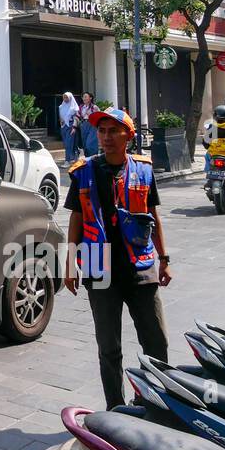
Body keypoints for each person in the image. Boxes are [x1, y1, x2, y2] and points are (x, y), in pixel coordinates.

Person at [64, 107, 171, 409]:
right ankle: (115, 409)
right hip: (99, 266)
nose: (107, 137)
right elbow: (75, 218)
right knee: (108, 347)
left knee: (156, 341)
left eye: (113, 131)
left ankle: (152, 402)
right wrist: (69, 262)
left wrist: (164, 258)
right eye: (102, 131)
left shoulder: (143, 170)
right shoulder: (83, 171)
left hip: (141, 265)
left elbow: (153, 216)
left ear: (129, 136)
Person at [59, 91, 80, 163]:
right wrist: (61, 123)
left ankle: (67, 160)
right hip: (64, 126)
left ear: (70, 98)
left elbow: (77, 118)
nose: (65, 98)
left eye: (66, 97)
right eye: (64, 97)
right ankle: (75, 156)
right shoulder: (61, 107)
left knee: (69, 143)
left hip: (71, 126)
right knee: (67, 144)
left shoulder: (74, 107)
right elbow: (61, 117)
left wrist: (74, 127)